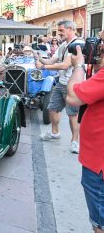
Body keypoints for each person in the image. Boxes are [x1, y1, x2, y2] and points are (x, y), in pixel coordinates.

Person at [66, 44, 104, 233]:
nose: (98, 50)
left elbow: (73, 97)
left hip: (99, 163)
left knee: (99, 223)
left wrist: (79, 65)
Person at [35, 20, 80, 153]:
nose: (59, 34)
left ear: (71, 29)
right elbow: (51, 60)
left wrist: (44, 66)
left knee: (73, 114)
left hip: (73, 84)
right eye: (58, 31)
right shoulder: (63, 45)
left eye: (61, 31)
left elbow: (65, 65)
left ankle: (74, 142)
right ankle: (55, 133)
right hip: (62, 82)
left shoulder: (77, 44)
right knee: (52, 109)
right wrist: (39, 57)